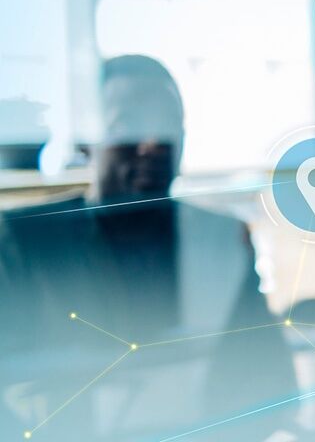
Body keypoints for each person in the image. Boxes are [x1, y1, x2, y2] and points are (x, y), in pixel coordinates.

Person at [0, 55, 297, 441]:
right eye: (129, 125)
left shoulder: (222, 240)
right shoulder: (29, 239)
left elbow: (269, 375)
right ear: (88, 141)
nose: (153, 144)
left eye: (167, 128)